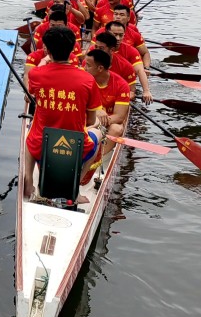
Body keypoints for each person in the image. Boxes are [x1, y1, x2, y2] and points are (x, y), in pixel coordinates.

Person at [23, 27, 103, 198]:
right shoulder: (88, 80)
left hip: (41, 145)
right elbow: (90, 121)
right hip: (75, 148)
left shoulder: (36, 74)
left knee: (31, 132)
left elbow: (32, 90)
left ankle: (28, 180)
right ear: (72, 49)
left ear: (48, 50)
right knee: (97, 132)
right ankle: (76, 186)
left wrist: (44, 61)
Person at [82, 48, 131, 155]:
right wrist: (96, 113)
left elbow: (119, 117)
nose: (84, 68)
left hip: (109, 122)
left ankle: (99, 157)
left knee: (116, 129)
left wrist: (98, 121)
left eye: (88, 66)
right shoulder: (83, 80)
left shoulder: (121, 85)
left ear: (100, 68)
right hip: (90, 119)